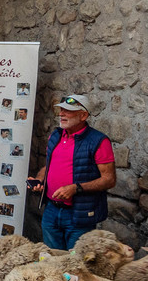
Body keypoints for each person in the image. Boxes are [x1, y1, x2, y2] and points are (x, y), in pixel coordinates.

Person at [27, 93, 116, 250]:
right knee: (52, 260)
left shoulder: (99, 141)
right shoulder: (56, 135)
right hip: (51, 211)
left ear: (83, 115)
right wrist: (40, 180)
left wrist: (76, 188)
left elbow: (109, 179)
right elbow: (48, 166)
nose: (61, 114)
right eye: (61, 110)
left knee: (75, 265)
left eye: (67, 110)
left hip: (79, 215)